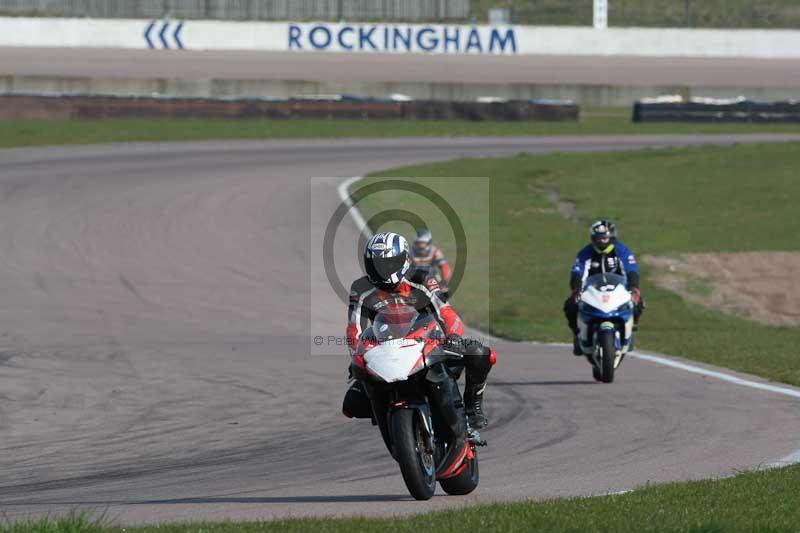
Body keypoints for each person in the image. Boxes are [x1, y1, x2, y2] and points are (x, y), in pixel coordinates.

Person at [343, 231, 496, 429]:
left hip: (427, 341)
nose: (380, 270)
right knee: (351, 404)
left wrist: (454, 337)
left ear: (402, 260)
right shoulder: (361, 288)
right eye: (374, 264)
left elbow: (447, 313)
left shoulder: (422, 278)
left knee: (478, 352)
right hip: (384, 348)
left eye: (387, 263)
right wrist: (357, 355)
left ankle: (473, 407)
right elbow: (353, 328)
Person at [563, 220, 644, 355]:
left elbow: (631, 269)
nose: (602, 241)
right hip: (592, 289)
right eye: (599, 238)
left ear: (612, 237)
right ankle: (577, 335)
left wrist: (634, 288)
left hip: (618, 289)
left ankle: (631, 326)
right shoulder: (585, 253)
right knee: (570, 305)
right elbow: (578, 271)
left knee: (639, 302)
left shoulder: (622, 250)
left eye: (605, 238)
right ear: (593, 238)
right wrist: (576, 289)